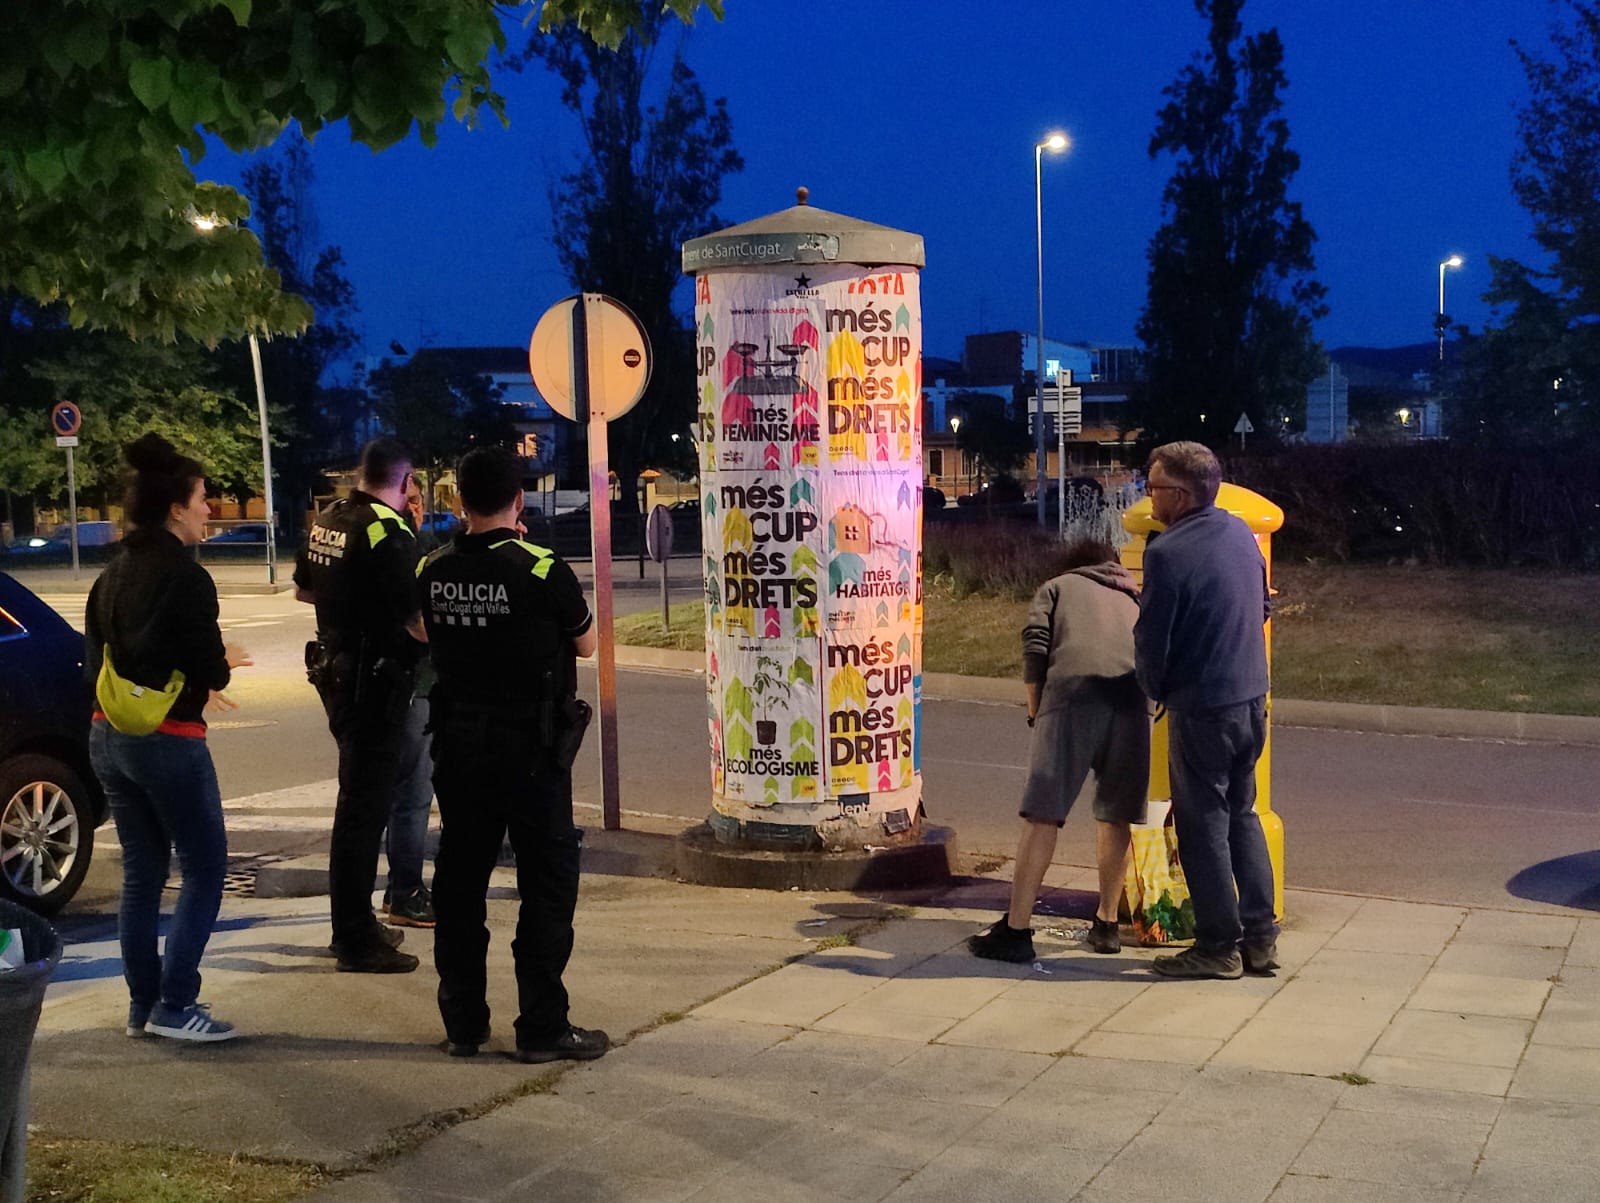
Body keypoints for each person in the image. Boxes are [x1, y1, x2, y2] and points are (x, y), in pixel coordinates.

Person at [418, 446, 606, 1063]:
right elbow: (585, 645)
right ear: (519, 500)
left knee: (460, 882)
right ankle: (542, 1026)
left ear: (457, 502)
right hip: (532, 752)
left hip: (460, 749)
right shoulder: (541, 567)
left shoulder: (433, 566)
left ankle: (464, 1023)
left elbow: (420, 630)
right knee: (546, 885)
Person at [86, 434, 252, 1041]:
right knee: (206, 867)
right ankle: (176, 1005)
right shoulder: (185, 577)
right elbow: (209, 664)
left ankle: (142, 1007)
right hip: (169, 739)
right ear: (177, 508)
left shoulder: (113, 572)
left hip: (108, 736)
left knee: (142, 872)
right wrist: (226, 659)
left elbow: (97, 660)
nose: (211, 509)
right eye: (204, 499)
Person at [1134, 440, 1277, 980]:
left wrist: (1154, 688)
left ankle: (1218, 945)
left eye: (1154, 489)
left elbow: (1152, 638)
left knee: (1202, 826)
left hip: (1202, 706)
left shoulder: (1167, 552)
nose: (1150, 499)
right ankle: (1260, 937)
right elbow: (1263, 603)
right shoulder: (1240, 533)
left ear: (1181, 493)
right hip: (1250, 699)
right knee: (1242, 815)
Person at [968, 538, 1148, 963]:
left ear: (1073, 563)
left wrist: (1036, 711)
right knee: (1116, 813)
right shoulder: (1136, 598)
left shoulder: (1057, 587)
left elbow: (1036, 651)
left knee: (1042, 814)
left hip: (1071, 699)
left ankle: (1016, 929)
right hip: (1132, 705)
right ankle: (1106, 924)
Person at [294, 437, 425, 973]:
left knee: (358, 805)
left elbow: (305, 591)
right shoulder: (390, 533)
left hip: (337, 673)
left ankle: (359, 923)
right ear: (403, 479)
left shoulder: (330, 517)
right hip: (376, 682)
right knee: (363, 812)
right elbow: (416, 621)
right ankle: (353, 937)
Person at [379, 479, 438, 930]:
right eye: (409, 500)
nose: (415, 509)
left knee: (401, 791)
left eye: (419, 501)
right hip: (413, 685)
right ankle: (405, 891)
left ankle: (399, 888)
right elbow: (417, 624)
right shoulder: (398, 550)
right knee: (413, 795)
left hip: (395, 684)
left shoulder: (417, 543)